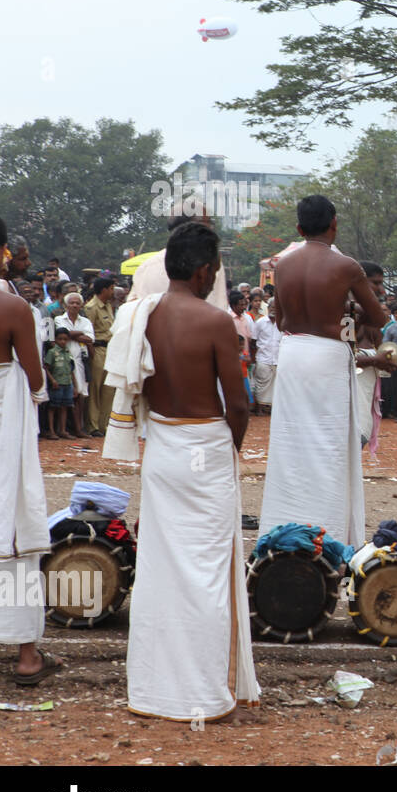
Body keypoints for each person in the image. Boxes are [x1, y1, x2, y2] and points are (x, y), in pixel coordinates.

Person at [102, 221, 259, 721]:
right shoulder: (215, 322)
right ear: (204, 269)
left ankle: (153, 692)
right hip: (205, 447)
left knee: (161, 572)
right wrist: (228, 448)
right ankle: (207, 696)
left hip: (163, 450)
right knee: (210, 574)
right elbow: (238, 405)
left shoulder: (140, 316)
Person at [258, 195, 387, 550]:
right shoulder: (346, 266)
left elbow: (281, 320)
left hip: (294, 352)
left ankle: (284, 529)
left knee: (290, 443)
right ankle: (329, 535)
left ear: (298, 228)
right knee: (330, 446)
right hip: (329, 355)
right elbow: (379, 318)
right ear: (334, 224)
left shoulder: (282, 266)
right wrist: (350, 313)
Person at [0, 218, 58, 685]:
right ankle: (25, 657)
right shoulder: (14, 308)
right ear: (3, 251)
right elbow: (36, 381)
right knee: (15, 529)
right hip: (6, 431)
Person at [126, 210, 230, 312]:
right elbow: (219, 307)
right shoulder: (209, 264)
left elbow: (133, 317)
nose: (212, 228)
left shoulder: (145, 268)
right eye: (208, 222)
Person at [353, 262, 397, 455]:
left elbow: (382, 355)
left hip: (366, 394)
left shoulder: (374, 320)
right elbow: (341, 356)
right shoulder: (347, 313)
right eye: (376, 283)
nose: (381, 290)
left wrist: (390, 362)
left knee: (358, 440)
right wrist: (374, 360)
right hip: (344, 395)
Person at [55, 291, 94, 437]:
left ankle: (79, 429)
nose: (75, 305)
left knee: (81, 396)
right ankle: (63, 429)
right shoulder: (59, 319)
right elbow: (62, 335)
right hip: (62, 361)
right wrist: (79, 335)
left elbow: (90, 339)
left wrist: (72, 334)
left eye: (77, 303)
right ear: (66, 305)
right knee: (65, 396)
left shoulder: (86, 321)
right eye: (72, 302)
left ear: (81, 305)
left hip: (80, 362)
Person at [83, 277, 116, 435]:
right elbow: (88, 331)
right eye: (111, 288)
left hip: (110, 350)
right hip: (97, 350)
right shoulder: (91, 307)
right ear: (103, 290)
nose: (112, 291)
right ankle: (93, 425)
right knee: (95, 389)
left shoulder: (108, 306)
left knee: (109, 389)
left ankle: (104, 425)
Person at [43, 327, 77, 439]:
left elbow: (71, 370)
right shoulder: (52, 352)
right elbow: (46, 367)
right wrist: (52, 380)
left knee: (64, 406)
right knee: (53, 407)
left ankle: (62, 430)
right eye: (60, 339)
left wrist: (75, 386)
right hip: (57, 384)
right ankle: (51, 431)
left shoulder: (68, 352)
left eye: (65, 339)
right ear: (55, 340)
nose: (62, 341)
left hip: (67, 383)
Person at [251, 298, 280, 416]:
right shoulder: (260, 322)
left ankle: (270, 408)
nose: (274, 310)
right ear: (268, 308)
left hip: (278, 359)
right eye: (272, 307)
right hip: (263, 358)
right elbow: (253, 340)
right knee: (260, 383)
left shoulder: (283, 323)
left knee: (275, 386)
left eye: (276, 308)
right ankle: (259, 408)